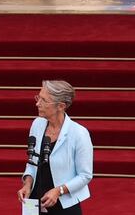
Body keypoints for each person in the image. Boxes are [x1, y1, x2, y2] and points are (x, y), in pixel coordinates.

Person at [17, 80, 93, 214]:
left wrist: (59, 191)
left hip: (64, 204)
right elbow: (32, 162)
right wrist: (27, 184)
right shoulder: (37, 124)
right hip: (33, 200)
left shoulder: (79, 134)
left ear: (61, 106)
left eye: (44, 100)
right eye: (38, 97)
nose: (37, 103)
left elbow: (85, 175)